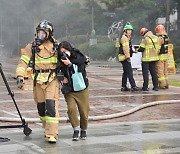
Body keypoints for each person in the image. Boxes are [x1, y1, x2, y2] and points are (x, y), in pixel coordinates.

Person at [16, 20, 60, 143]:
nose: (40, 35)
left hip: (52, 80)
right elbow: (23, 61)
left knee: (51, 106)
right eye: (39, 33)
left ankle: (51, 134)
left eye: (43, 33)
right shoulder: (32, 47)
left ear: (49, 34)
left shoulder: (56, 46)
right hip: (38, 80)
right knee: (41, 108)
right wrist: (20, 75)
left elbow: (69, 56)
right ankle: (46, 127)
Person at [58, 41, 89, 141]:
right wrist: (62, 78)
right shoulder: (59, 59)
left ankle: (83, 129)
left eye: (65, 51)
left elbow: (80, 69)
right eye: (61, 52)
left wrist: (70, 64)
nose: (64, 54)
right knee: (71, 109)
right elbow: (56, 70)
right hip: (69, 89)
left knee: (84, 111)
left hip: (81, 88)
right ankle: (76, 129)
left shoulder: (78, 56)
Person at [118, 24, 140, 91]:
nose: (130, 32)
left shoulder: (126, 38)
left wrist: (133, 51)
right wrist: (128, 57)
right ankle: (133, 86)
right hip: (124, 58)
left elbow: (128, 48)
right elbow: (125, 48)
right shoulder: (125, 38)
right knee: (130, 72)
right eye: (128, 30)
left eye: (131, 30)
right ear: (125, 31)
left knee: (126, 72)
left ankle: (123, 86)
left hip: (123, 57)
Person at [155, 24, 169, 89]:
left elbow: (158, 48)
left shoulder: (160, 38)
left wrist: (155, 54)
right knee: (165, 71)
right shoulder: (166, 37)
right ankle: (167, 83)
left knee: (160, 71)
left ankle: (162, 84)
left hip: (160, 56)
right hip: (166, 56)